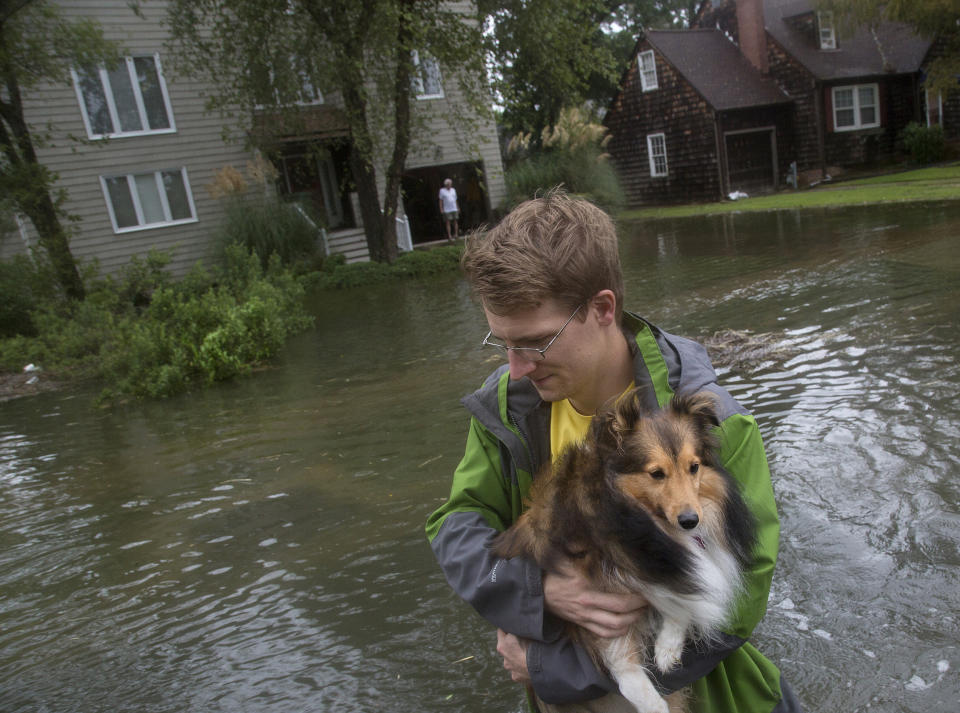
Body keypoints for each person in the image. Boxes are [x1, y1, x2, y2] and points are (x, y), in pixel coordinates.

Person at [425, 192, 804, 713]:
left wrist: (551, 668)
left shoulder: (712, 423)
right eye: (502, 343)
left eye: (535, 342)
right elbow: (457, 523)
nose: (515, 368)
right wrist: (535, 591)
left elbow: (742, 598)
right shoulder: (506, 407)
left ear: (603, 308)